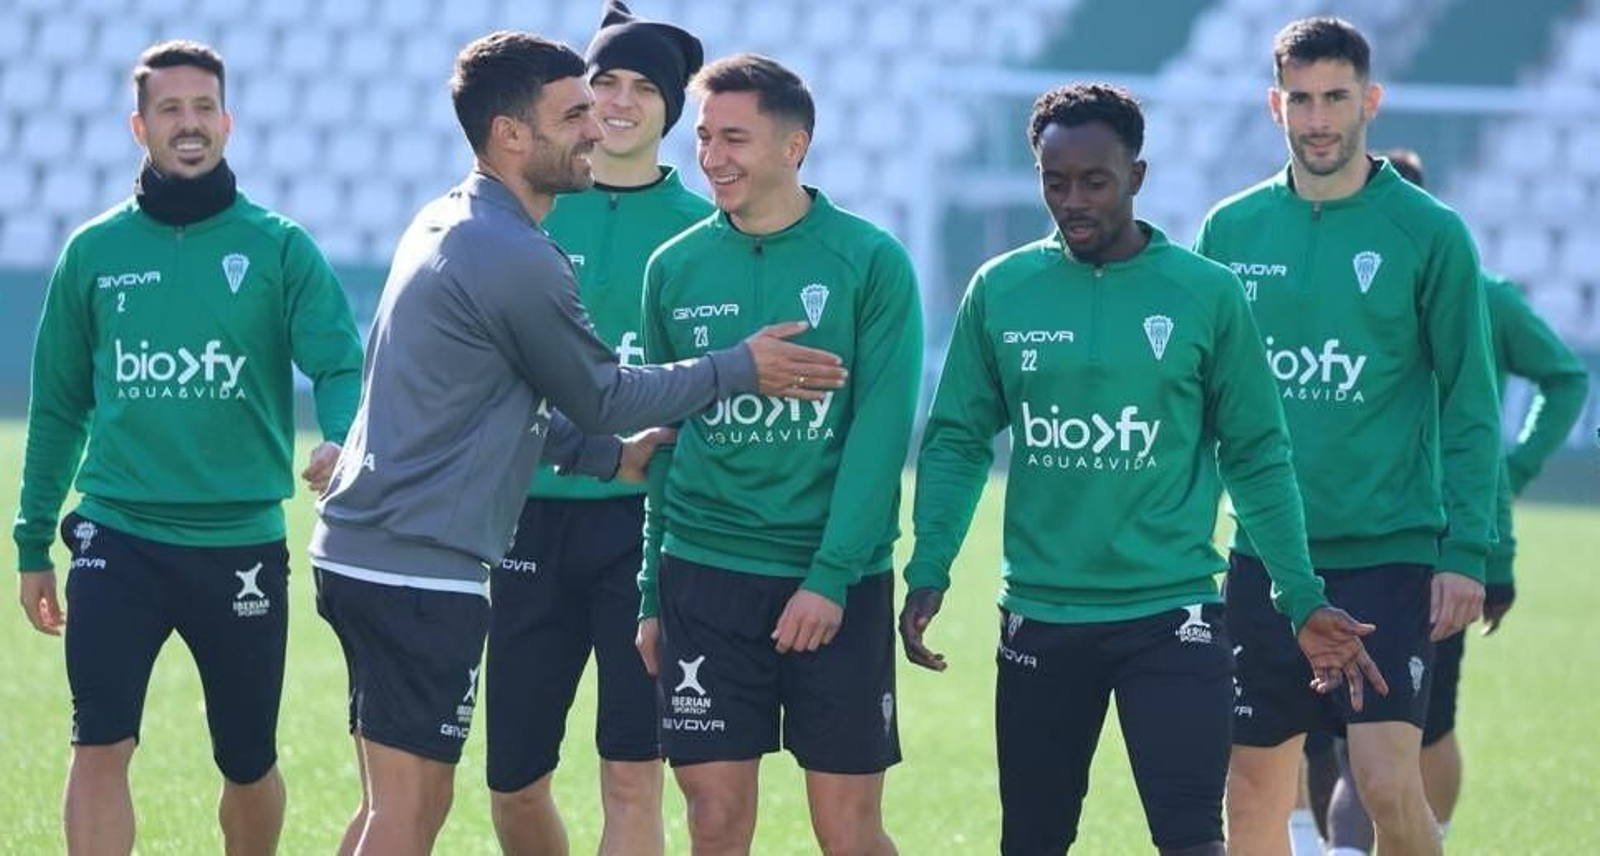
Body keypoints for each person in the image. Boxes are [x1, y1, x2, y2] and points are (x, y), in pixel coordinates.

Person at [309, 33, 847, 856]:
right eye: (575, 112)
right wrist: (739, 367)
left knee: (394, 805)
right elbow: (601, 394)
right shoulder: (514, 252)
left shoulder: (446, 217)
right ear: (511, 135)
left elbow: (500, 399)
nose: (596, 126)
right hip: (419, 561)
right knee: (412, 812)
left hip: (363, 548)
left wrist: (609, 460)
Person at [898, 82, 1382, 856]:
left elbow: (1256, 454)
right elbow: (957, 439)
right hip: (1041, 616)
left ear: (1138, 177)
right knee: (1033, 839)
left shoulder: (1205, 293)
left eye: (1095, 181)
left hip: (1173, 615)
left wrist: (1300, 595)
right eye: (1055, 182)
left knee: (1192, 838)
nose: (1073, 200)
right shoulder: (1001, 288)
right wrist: (930, 565)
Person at [13, 40, 365, 855]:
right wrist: (34, 539)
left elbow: (339, 362)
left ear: (228, 121)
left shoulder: (280, 247)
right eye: (170, 110)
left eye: (204, 108)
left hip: (238, 542)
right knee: (98, 740)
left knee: (247, 760)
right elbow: (61, 406)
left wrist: (343, 437)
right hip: (117, 537)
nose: (190, 123)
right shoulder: (94, 253)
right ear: (139, 127)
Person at [1193, 18, 1502, 856]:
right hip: (1264, 554)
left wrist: (1466, 552)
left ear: (1370, 100)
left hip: (1387, 554)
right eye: (1301, 98)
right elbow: (1198, 401)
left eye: (1335, 97)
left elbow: (1470, 404)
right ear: (1274, 106)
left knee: (1386, 783)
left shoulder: (1430, 234)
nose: (1318, 117)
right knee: (1253, 786)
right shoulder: (1230, 231)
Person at [634, 53, 922, 856]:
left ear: (795, 147)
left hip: (834, 582)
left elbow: (880, 436)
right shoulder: (675, 268)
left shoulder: (870, 262)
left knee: (847, 832)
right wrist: (654, 589)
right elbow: (666, 439)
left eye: (735, 138)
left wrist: (829, 579)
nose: (713, 158)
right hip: (706, 576)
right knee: (715, 822)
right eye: (703, 138)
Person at [1315, 148, 1590, 856]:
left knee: (1418, 723)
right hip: (1340, 527)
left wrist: (1516, 468)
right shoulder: (1323, 296)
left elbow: (1563, 376)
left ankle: (1424, 836)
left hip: (1441, 542)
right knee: (1342, 726)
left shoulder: (1480, 292)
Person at [484, 4, 710, 855]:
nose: (619, 102)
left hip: (647, 524)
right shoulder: (527, 208)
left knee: (631, 770)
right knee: (512, 780)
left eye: (643, 87)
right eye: (603, 82)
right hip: (525, 514)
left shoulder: (703, 226)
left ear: (671, 109)